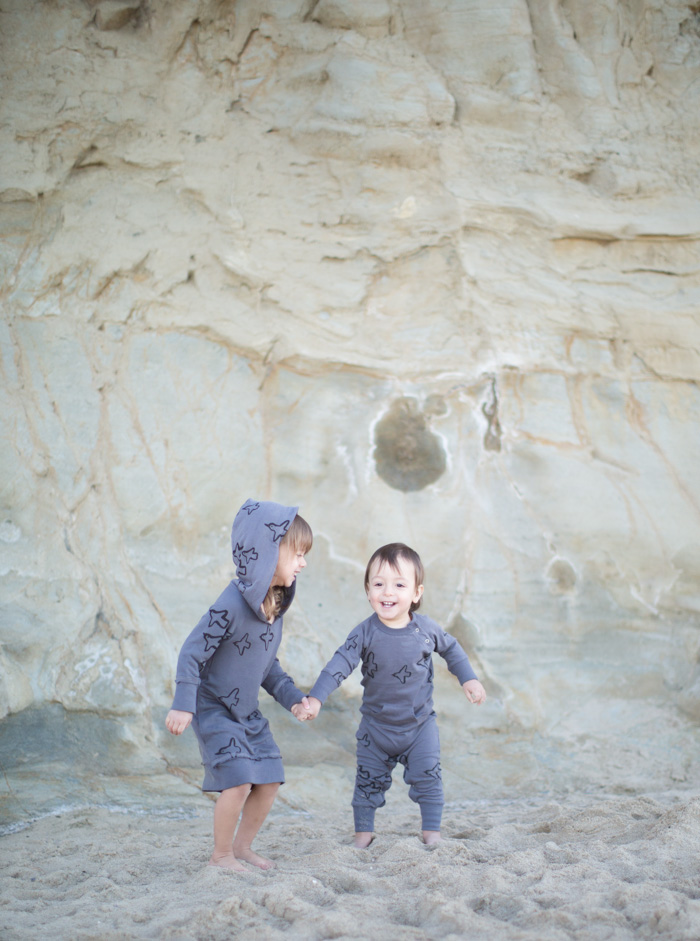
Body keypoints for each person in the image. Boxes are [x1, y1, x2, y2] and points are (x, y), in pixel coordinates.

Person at [303, 542, 486, 847]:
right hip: (376, 729)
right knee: (367, 783)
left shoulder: (426, 630)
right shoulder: (365, 632)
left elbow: (452, 650)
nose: (388, 592)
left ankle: (432, 834)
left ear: (416, 593)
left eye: (399, 585)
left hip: (419, 727)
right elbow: (339, 663)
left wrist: (469, 679)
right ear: (368, 591)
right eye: (379, 584)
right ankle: (363, 835)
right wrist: (317, 697)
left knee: (429, 778)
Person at [165, 499, 314, 871]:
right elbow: (191, 652)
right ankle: (221, 855)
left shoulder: (274, 610)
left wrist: (294, 700)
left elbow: (268, 669)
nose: (303, 563)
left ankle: (243, 847)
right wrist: (184, 703)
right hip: (213, 706)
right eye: (297, 554)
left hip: (247, 712)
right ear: (268, 551)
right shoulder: (230, 603)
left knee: (269, 779)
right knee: (237, 782)